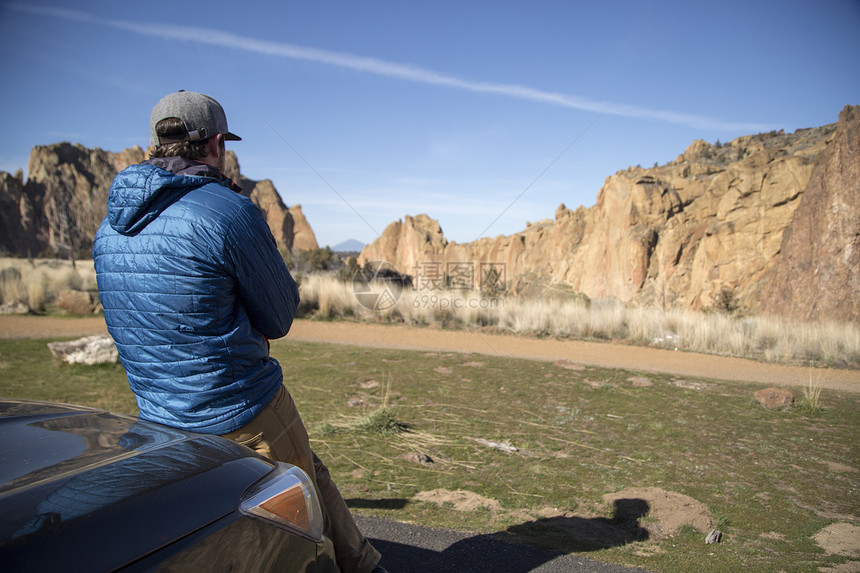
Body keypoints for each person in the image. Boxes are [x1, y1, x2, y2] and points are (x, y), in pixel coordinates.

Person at [93, 91, 385, 573]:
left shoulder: (109, 229)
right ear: (213, 143)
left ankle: (363, 561)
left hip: (158, 419)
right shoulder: (228, 211)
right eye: (223, 141)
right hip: (241, 410)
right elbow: (280, 316)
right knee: (292, 517)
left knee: (220, 527)